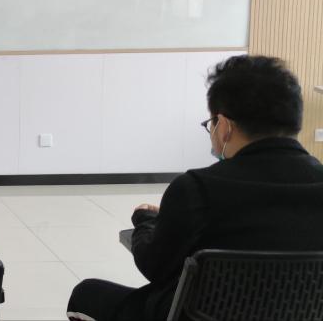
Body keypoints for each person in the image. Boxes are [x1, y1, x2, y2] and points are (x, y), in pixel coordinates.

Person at [67, 55, 323, 321]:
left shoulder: (196, 189)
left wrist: (147, 221)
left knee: (86, 294)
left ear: (223, 127)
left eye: (211, 124)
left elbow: (155, 267)